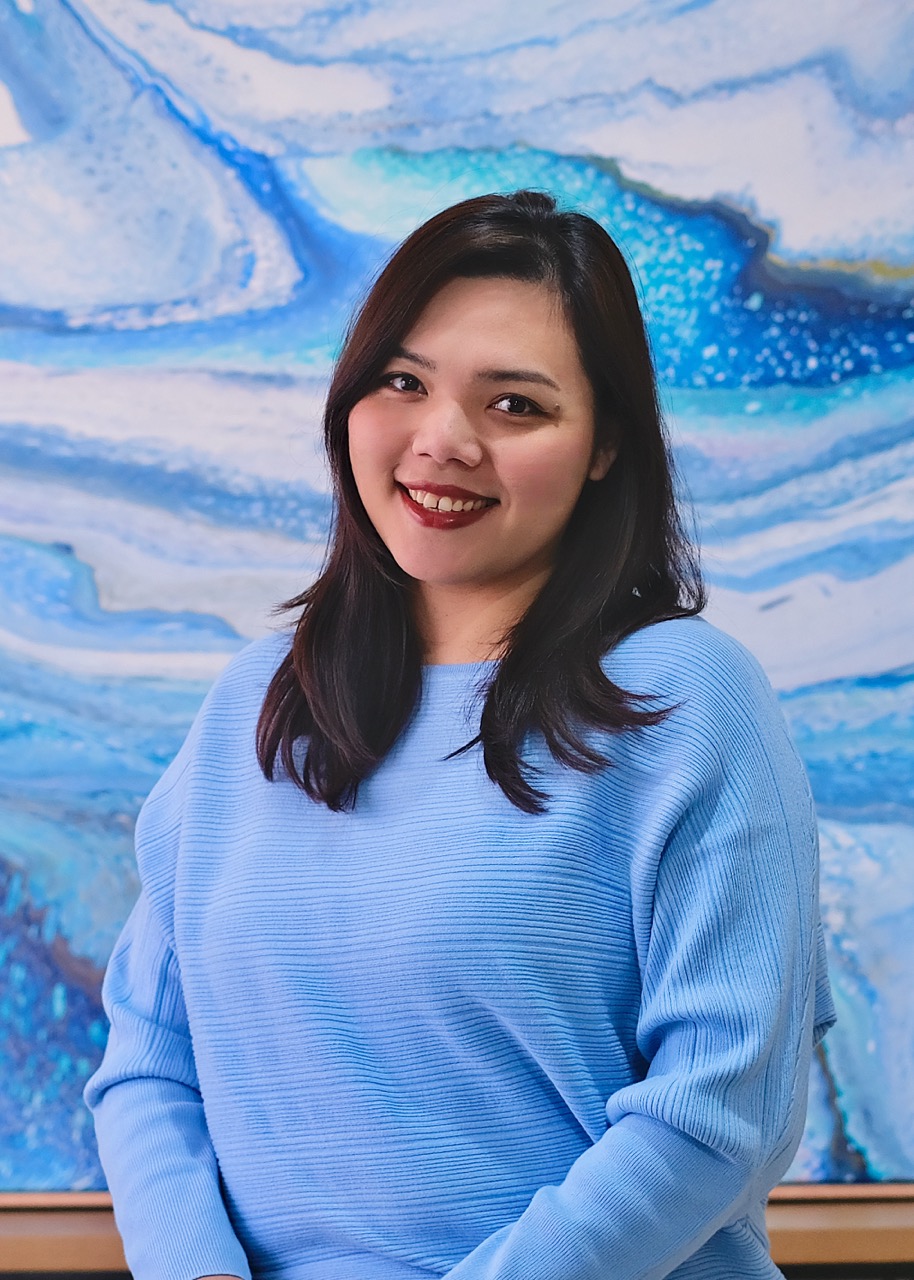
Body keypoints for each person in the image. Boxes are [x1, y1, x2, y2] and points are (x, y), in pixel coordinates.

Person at [85, 189, 835, 1280]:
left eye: (516, 406)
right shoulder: (253, 705)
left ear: (603, 447)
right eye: (403, 381)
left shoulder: (686, 698)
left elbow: (719, 1110)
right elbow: (151, 1061)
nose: (442, 441)